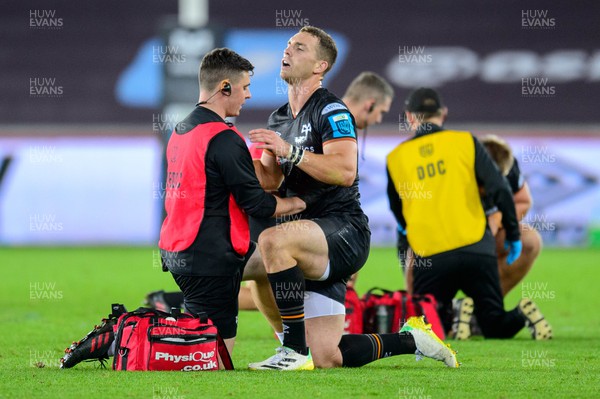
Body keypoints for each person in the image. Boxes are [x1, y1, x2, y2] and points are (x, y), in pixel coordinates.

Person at [59, 48, 306, 368]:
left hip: (180, 248)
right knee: (213, 359)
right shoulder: (224, 138)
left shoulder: (181, 129)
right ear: (225, 87)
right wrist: (300, 202)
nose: (248, 94)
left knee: (268, 263)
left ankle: (292, 344)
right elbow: (256, 204)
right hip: (210, 256)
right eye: (245, 87)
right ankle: (119, 334)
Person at [244, 26, 457, 370]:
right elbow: (270, 179)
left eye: (299, 48)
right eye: (288, 46)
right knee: (329, 356)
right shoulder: (279, 117)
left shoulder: (332, 111)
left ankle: (292, 351)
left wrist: (290, 151)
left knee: (270, 242)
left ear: (320, 66)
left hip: (344, 231)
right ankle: (411, 339)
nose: (288, 52)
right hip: (307, 238)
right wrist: (230, 162)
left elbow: (344, 171)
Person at [143, 71, 394, 309]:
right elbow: (268, 171)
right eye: (381, 112)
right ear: (369, 105)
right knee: (270, 273)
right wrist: (298, 203)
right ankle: (185, 301)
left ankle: (289, 336)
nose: (379, 120)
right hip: (263, 203)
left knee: (269, 274)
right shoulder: (326, 119)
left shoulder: (319, 114)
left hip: (275, 206)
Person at [386, 87, 552, 341]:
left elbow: (398, 210)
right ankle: (517, 314)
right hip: (478, 250)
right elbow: (501, 189)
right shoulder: (466, 142)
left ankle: (449, 315)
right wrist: (512, 233)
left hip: (431, 256)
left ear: (409, 117)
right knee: (495, 326)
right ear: (443, 114)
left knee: (429, 329)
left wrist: (410, 230)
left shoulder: (396, 158)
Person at [479, 134, 542, 297]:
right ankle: (421, 308)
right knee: (419, 249)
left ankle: (484, 306)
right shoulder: (451, 169)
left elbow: (523, 201)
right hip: (448, 239)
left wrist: (499, 219)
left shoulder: (508, 166)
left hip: (486, 235)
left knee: (529, 241)